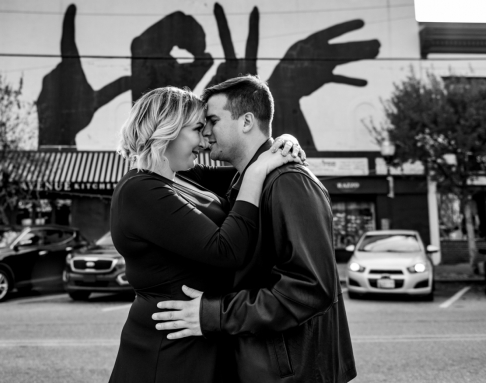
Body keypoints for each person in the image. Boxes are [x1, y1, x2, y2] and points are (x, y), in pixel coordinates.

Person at [152, 76, 356, 383]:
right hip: (266, 366)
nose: (205, 132)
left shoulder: (289, 182)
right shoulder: (246, 178)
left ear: (246, 121)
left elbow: (312, 289)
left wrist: (215, 315)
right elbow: (169, 163)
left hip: (291, 373)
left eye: (212, 120)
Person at [108, 86, 304, 383]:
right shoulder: (139, 190)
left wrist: (281, 142)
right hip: (168, 351)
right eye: (198, 129)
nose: (203, 141)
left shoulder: (181, 176)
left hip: (203, 336)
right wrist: (255, 174)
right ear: (167, 130)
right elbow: (226, 250)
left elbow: (251, 161)